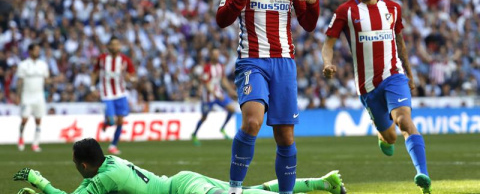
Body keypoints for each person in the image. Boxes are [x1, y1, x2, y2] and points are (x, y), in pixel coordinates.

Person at [215, 0, 320, 194]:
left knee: (285, 136)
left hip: (284, 63)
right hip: (252, 61)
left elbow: (308, 24)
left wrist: (314, 3)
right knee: (252, 121)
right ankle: (235, 188)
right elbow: (222, 19)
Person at [321, 0, 431, 194]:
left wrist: (409, 75)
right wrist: (327, 63)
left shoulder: (392, 8)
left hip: (394, 76)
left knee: (404, 121)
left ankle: (422, 173)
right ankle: (382, 136)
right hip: (367, 87)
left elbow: (400, 42)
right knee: (391, 136)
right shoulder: (345, 12)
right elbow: (328, 43)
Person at [13, 138, 346, 194]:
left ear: (85, 165)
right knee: (248, 189)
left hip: (184, 189)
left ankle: (322, 184)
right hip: (182, 182)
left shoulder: (102, 180)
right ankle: (323, 183)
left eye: (75, 166)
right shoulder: (109, 163)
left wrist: (38, 180)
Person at [90, 37, 136, 155]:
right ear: (109, 46)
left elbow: (133, 75)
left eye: (117, 44)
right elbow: (94, 73)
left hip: (120, 93)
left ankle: (113, 145)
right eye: (113, 44)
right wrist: (92, 87)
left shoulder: (125, 60)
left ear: (120, 46)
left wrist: (130, 78)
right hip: (107, 94)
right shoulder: (102, 59)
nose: (115, 47)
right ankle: (106, 123)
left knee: (120, 120)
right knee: (111, 121)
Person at [191, 48, 238, 146]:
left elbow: (223, 80)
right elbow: (207, 84)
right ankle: (194, 134)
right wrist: (215, 95)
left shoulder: (220, 66)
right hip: (208, 97)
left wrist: (231, 91)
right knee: (204, 117)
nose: (217, 56)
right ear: (211, 56)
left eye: (218, 54)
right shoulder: (207, 68)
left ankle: (222, 128)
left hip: (218, 93)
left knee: (232, 109)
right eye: (215, 54)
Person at [16, 43, 50, 152]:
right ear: (30, 51)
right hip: (27, 96)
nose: (38, 52)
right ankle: (21, 137)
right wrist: (18, 95)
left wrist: (55, 81)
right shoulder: (23, 65)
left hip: (39, 96)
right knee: (24, 119)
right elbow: (20, 81)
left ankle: (35, 143)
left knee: (38, 120)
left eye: (38, 50)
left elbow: (46, 81)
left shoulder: (43, 64)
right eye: (36, 50)